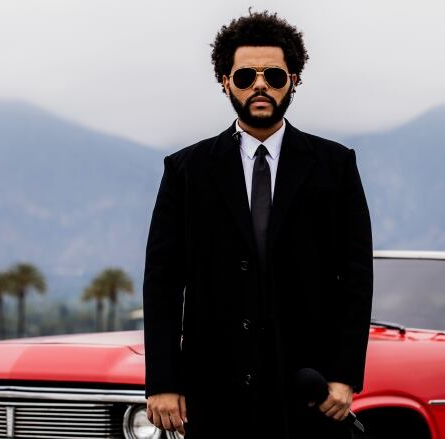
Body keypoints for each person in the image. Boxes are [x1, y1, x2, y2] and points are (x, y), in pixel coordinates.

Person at [143, 10, 373, 439]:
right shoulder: (185, 171)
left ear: (295, 80)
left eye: (275, 76)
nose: (260, 86)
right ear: (225, 81)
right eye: (246, 75)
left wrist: (345, 375)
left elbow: (356, 280)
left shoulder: (336, 166)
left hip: (309, 391)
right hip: (214, 391)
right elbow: (162, 283)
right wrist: (163, 381)